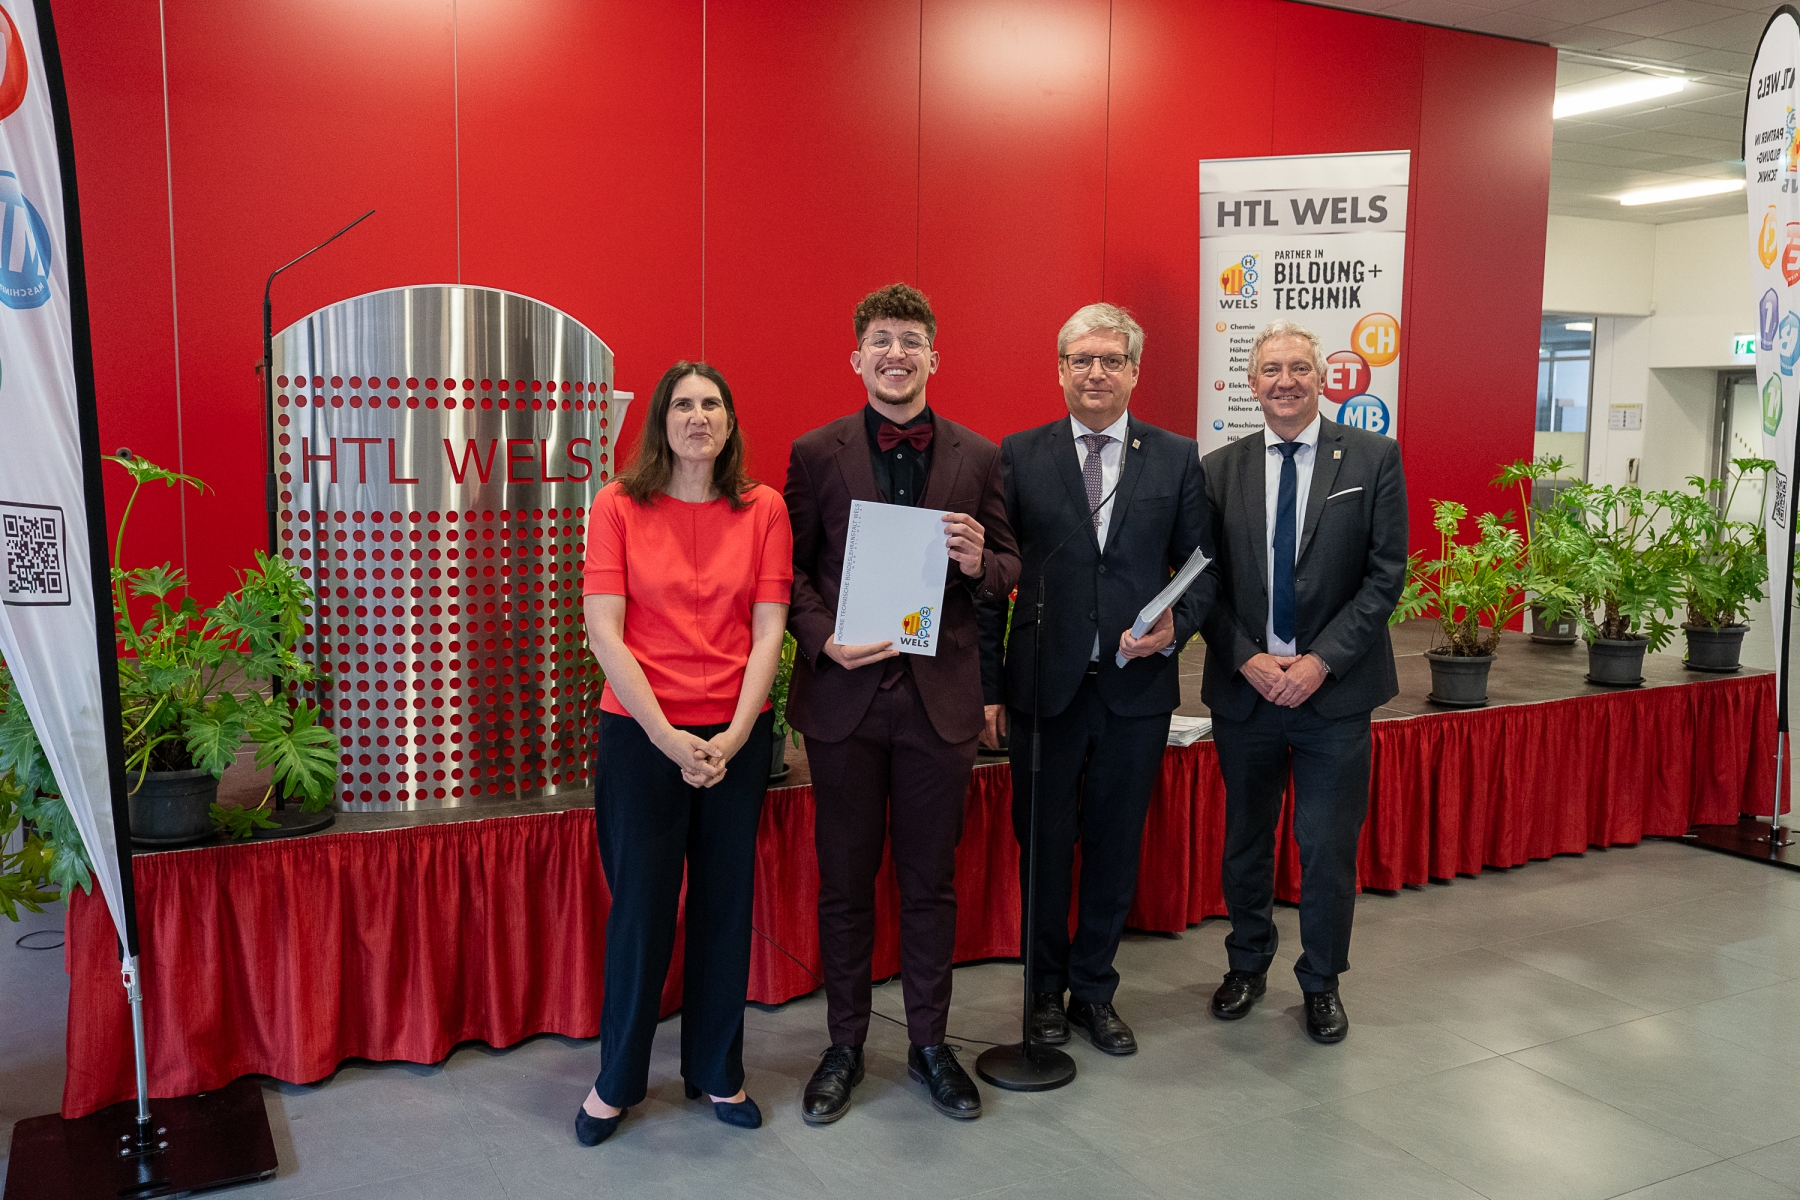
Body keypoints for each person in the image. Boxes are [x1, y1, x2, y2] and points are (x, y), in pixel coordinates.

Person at [784, 282, 1019, 1122]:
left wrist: (981, 560)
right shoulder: (816, 452)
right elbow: (791, 573)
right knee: (845, 887)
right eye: (881, 339)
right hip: (844, 701)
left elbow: (1009, 569)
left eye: (911, 341)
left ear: (933, 357)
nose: (896, 353)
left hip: (938, 706)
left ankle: (929, 1045)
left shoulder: (978, 455)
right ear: (857, 357)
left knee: (930, 885)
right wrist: (823, 640)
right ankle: (844, 1046)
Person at [977, 303, 1215, 1056]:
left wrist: (1179, 625)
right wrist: (988, 687)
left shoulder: (1175, 456)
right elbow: (991, 579)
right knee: (1044, 849)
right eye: (1081, 359)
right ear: (1060, 370)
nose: (1096, 372)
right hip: (1042, 689)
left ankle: (1094, 993)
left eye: (1112, 359)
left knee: (1114, 849)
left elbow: (1205, 566)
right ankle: (1043, 993)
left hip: (1135, 691)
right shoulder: (1020, 454)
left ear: (1135, 371)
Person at [575, 361, 792, 1145]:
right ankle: (616, 1081)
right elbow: (605, 630)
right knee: (640, 910)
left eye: (711, 404)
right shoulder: (616, 505)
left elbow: (769, 629)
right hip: (642, 736)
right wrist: (668, 737)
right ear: (661, 422)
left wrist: (733, 734)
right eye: (683, 405)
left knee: (725, 909)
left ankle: (718, 1071)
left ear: (730, 422)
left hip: (736, 736)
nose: (698, 417)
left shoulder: (764, 509)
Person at [1199, 319, 1407, 1044]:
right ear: (1251, 383)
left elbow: (1385, 576)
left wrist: (1320, 661)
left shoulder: (1374, 457)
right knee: (1246, 842)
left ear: (1322, 379)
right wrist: (1245, 657)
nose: (1284, 381)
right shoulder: (1218, 470)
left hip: (1335, 695)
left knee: (1324, 847)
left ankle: (1322, 980)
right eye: (1271, 370)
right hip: (1247, 692)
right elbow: (1201, 582)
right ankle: (1246, 964)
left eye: (1298, 368)